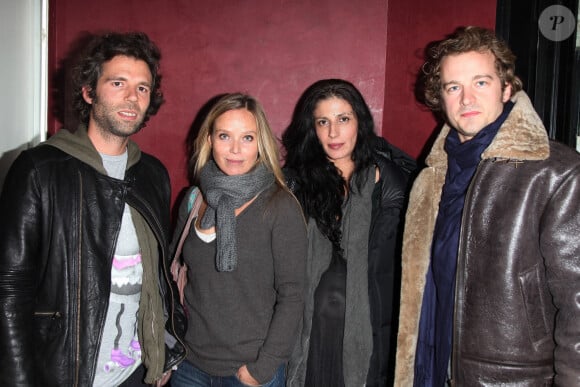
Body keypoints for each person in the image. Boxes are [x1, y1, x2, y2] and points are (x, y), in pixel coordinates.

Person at [394, 26, 580, 386]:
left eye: (480, 82)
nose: (466, 99)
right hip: (433, 370)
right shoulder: (431, 180)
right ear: (440, 97)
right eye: (453, 87)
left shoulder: (555, 172)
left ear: (507, 88)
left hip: (511, 378)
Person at [0, 32, 186, 386]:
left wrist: (161, 349)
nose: (132, 97)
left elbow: (159, 275)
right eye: (118, 82)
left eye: (143, 88)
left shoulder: (152, 174)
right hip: (66, 372)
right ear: (89, 92)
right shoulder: (40, 170)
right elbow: (10, 289)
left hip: (137, 371)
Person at [282, 78, 415, 387]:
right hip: (309, 334)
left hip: (365, 336)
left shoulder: (392, 186)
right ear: (312, 129)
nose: (333, 132)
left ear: (360, 122)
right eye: (323, 122)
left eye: (343, 119)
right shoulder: (295, 185)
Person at [169, 93, 307, 387]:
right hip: (189, 365)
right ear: (209, 140)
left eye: (247, 138)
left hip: (249, 371)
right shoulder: (193, 199)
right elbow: (170, 274)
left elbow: (293, 294)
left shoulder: (279, 206)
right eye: (224, 136)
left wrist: (264, 367)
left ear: (261, 144)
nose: (235, 149)